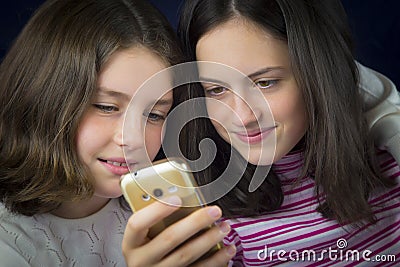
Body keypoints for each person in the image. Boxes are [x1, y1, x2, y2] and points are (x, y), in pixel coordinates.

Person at [0, 0, 235, 266]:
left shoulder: (165, 209)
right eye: (107, 107)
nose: (133, 139)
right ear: (44, 99)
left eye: (155, 114)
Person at [177, 0, 400, 265]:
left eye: (265, 83)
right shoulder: (211, 223)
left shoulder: (389, 158)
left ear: (318, 75)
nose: (244, 117)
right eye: (216, 90)